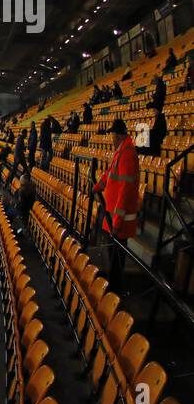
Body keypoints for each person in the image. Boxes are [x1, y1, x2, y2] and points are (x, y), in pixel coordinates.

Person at [94, 118, 140, 286]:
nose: (110, 138)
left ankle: (115, 291)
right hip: (112, 214)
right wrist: (99, 185)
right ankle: (113, 286)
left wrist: (118, 220)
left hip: (118, 219)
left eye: (112, 134)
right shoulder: (121, 151)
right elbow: (110, 173)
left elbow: (125, 190)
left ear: (118, 135)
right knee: (112, 255)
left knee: (117, 258)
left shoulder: (127, 154)